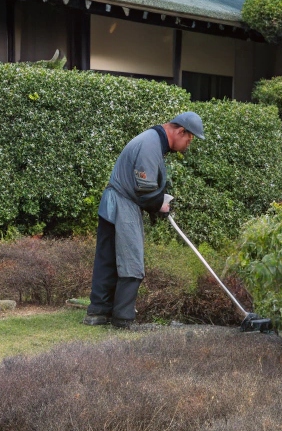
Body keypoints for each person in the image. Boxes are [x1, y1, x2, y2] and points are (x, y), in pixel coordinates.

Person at [85, 111, 205, 329]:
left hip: (113, 204)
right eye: (190, 138)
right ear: (180, 131)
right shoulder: (150, 144)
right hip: (122, 205)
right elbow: (146, 191)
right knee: (132, 262)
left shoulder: (152, 141)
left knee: (108, 260)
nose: (189, 143)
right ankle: (122, 319)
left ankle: (98, 313)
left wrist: (158, 202)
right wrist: (160, 204)